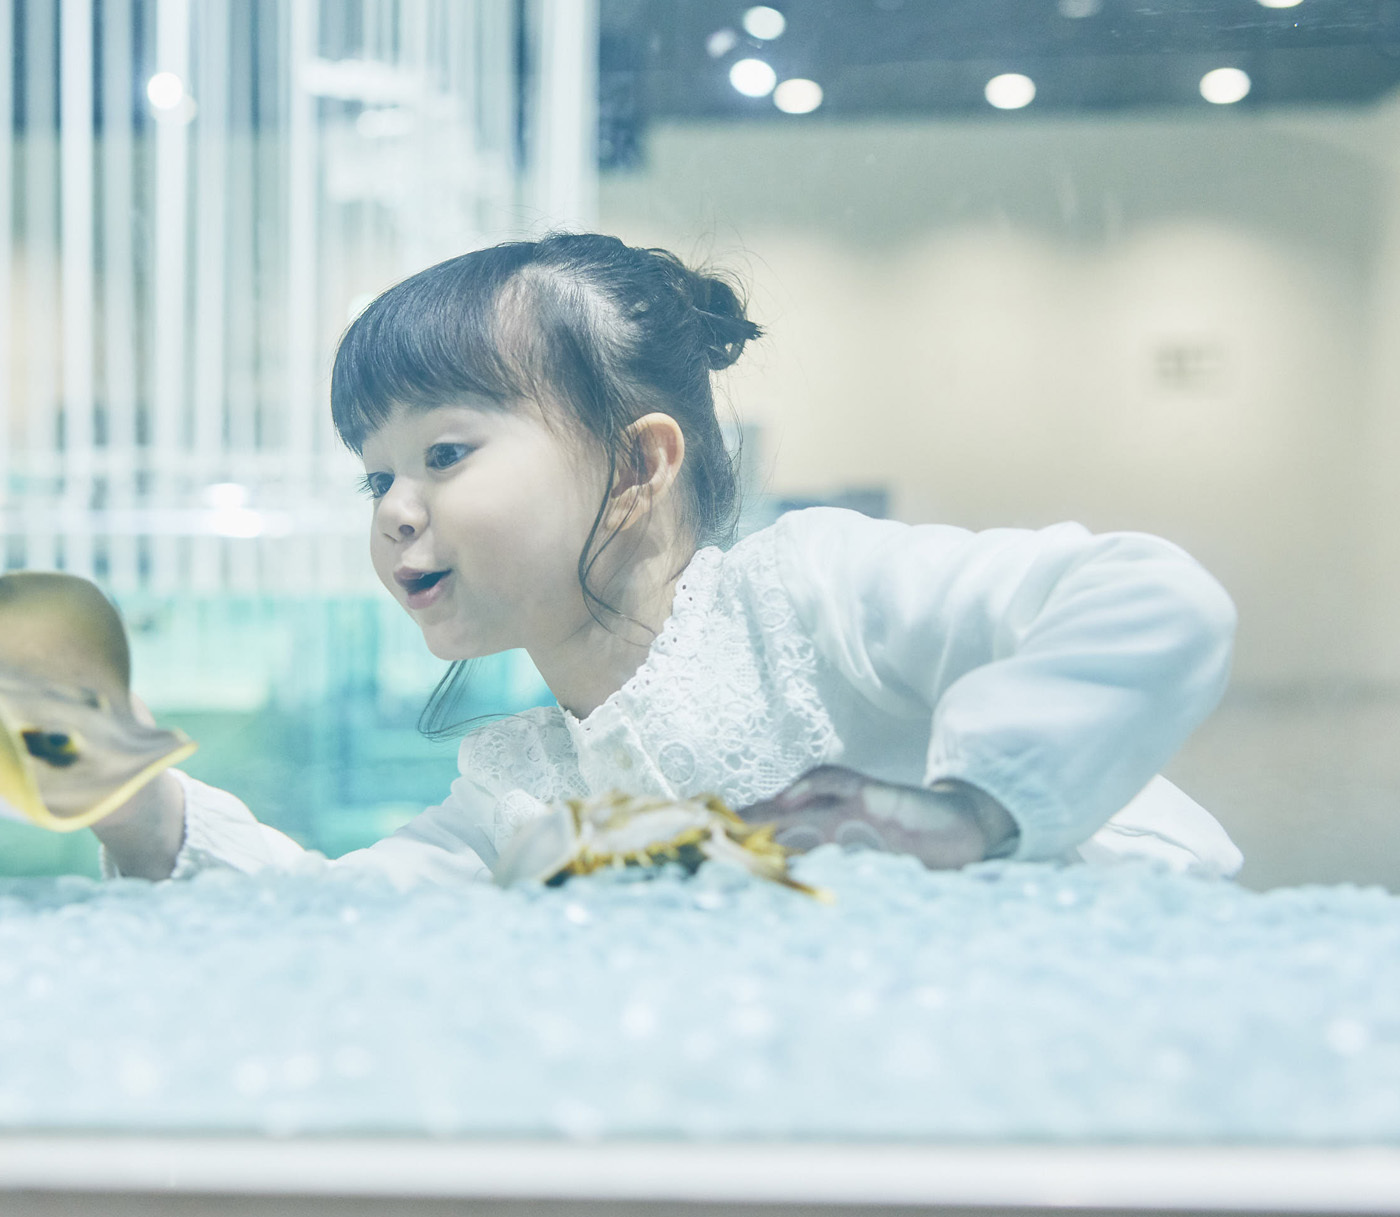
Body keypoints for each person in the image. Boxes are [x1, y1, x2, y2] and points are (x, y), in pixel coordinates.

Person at [92, 233, 1241, 885]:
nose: (395, 510)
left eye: (442, 452)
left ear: (639, 465)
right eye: (372, 475)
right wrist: (138, 806)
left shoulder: (815, 597)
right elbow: (334, 928)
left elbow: (1143, 597)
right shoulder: (517, 787)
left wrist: (974, 808)